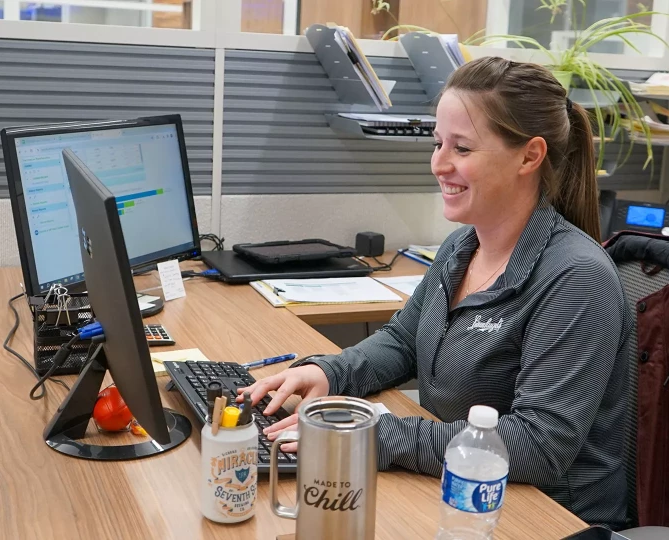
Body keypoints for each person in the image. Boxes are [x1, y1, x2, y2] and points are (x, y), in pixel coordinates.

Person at [238, 56, 632, 527]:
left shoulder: (577, 279)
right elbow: (405, 341)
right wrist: (329, 375)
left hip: (545, 518)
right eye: (438, 142)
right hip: (458, 493)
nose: (439, 164)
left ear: (530, 156)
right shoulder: (462, 246)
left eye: (462, 148)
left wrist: (379, 437)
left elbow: (538, 446)